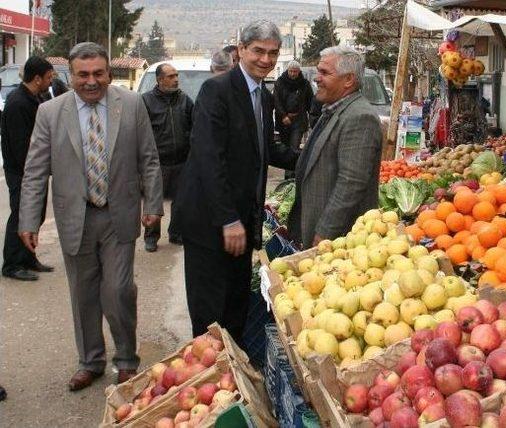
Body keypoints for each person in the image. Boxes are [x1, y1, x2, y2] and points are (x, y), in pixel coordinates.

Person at [18, 42, 163, 391]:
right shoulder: (51, 113)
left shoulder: (130, 105)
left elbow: (149, 158)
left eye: (98, 73)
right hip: (75, 218)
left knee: (118, 291)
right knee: (83, 294)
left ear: (109, 74)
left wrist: (154, 205)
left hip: (118, 216)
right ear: (71, 76)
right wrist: (28, 220)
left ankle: (127, 359)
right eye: (83, 75)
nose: (91, 81)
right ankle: (91, 361)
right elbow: (35, 171)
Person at [175, 20, 298, 343]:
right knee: (209, 312)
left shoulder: (263, 95)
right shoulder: (217, 91)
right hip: (210, 220)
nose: (266, 60)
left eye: (273, 53)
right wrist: (228, 218)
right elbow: (208, 158)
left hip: (242, 219)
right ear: (241, 50)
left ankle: (235, 376)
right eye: (258, 51)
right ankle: (211, 375)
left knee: (235, 304)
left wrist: (309, 157)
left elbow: (266, 149)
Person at [288, 46, 382, 249]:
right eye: (318, 71)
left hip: (338, 242)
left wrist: (325, 232)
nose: (316, 78)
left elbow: (351, 182)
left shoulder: (360, 117)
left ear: (348, 80)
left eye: (324, 73)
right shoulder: (332, 109)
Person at [1, 56, 55, 281]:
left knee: (35, 215)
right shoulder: (18, 103)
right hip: (22, 173)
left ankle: (28, 257)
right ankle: (12, 264)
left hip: (34, 172)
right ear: (37, 78)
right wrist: (35, 171)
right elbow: (21, 145)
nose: (51, 82)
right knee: (21, 216)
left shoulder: (33, 98)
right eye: (49, 78)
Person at [141, 63, 194, 251]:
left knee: (180, 202)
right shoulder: (146, 101)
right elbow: (140, 133)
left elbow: (194, 127)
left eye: (176, 75)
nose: (176, 79)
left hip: (181, 161)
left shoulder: (185, 100)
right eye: (171, 76)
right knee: (153, 201)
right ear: (160, 79)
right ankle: (151, 237)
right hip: (157, 163)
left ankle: (176, 233)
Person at [273, 60, 313, 178]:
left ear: (299, 71)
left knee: (294, 147)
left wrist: (312, 117)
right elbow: (276, 100)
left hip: (299, 120)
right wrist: (283, 115)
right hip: (284, 121)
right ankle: (289, 175)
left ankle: (292, 176)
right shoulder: (280, 82)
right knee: (285, 148)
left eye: (295, 71)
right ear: (287, 70)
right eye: (291, 71)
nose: (293, 74)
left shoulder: (304, 84)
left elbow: (310, 101)